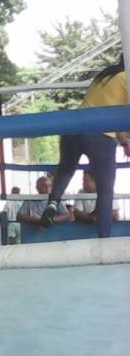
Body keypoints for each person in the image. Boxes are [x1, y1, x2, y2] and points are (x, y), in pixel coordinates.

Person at [41, 56, 130, 237]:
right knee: (105, 191)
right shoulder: (126, 79)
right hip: (100, 136)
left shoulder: (104, 76)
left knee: (65, 171)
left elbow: (108, 112)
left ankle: (53, 201)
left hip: (74, 128)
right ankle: (104, 238)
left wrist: (124, 141)